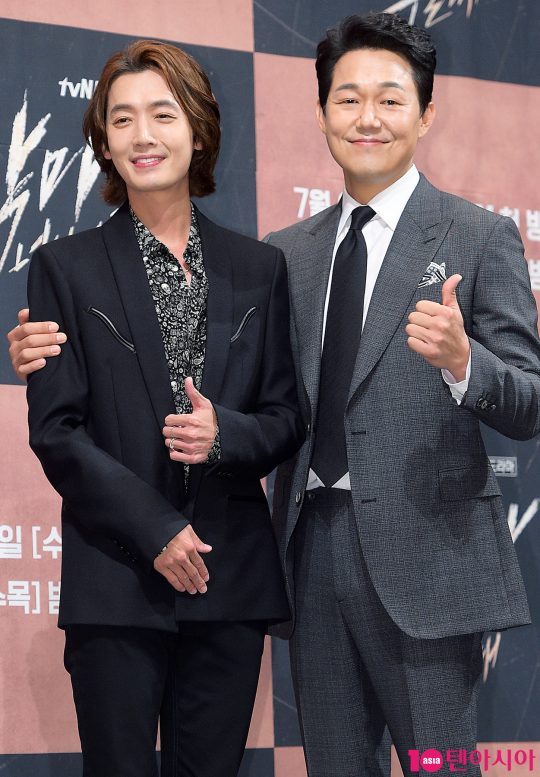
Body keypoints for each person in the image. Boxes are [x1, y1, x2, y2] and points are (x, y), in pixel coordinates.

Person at [8, 12, 540, 777]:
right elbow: (275, 401)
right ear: (321, 113)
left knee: (442, 767)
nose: (366, 117)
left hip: (425, 566)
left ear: (426, 113)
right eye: (347, 98)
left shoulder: (476, 235)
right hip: (307, 560)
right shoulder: (290, 253)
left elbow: (527, 399)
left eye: (390, 99)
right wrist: (47, 352)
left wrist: (465, 363)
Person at [7, 39, 302, 777]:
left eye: (163, 114)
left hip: (229, 580)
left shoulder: (259, 267)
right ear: (104, 143)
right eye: (122, 119)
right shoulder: (64, 267)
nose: (143, 135)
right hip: (117, 581)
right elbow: (58, 431)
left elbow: (285, 416)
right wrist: (157, 529)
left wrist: (223, 435)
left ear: (197, 130)